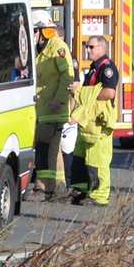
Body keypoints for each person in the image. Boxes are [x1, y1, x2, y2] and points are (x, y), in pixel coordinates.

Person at [67, 35, 118, 206]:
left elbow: (109, 93)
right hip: (88, 122)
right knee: (81, 158)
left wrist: (81, 92)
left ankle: (99, 195)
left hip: (99, 122)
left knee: (98, 160)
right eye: (87, 47)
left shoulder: (107, 68)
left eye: (91, 47)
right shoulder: (93, 68)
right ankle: (82, 190)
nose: (87, 50)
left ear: (102, 48)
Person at [32, 12, 74, 199]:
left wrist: (58, 100)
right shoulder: (41, 49)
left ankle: (48, 188)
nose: (32, 35)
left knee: (48, 151)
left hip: (53, 109)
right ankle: (50, 187)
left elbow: (67, 77)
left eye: (34, 31)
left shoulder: (58, 48)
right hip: (43, 109)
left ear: (43, 31)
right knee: (43, 149)